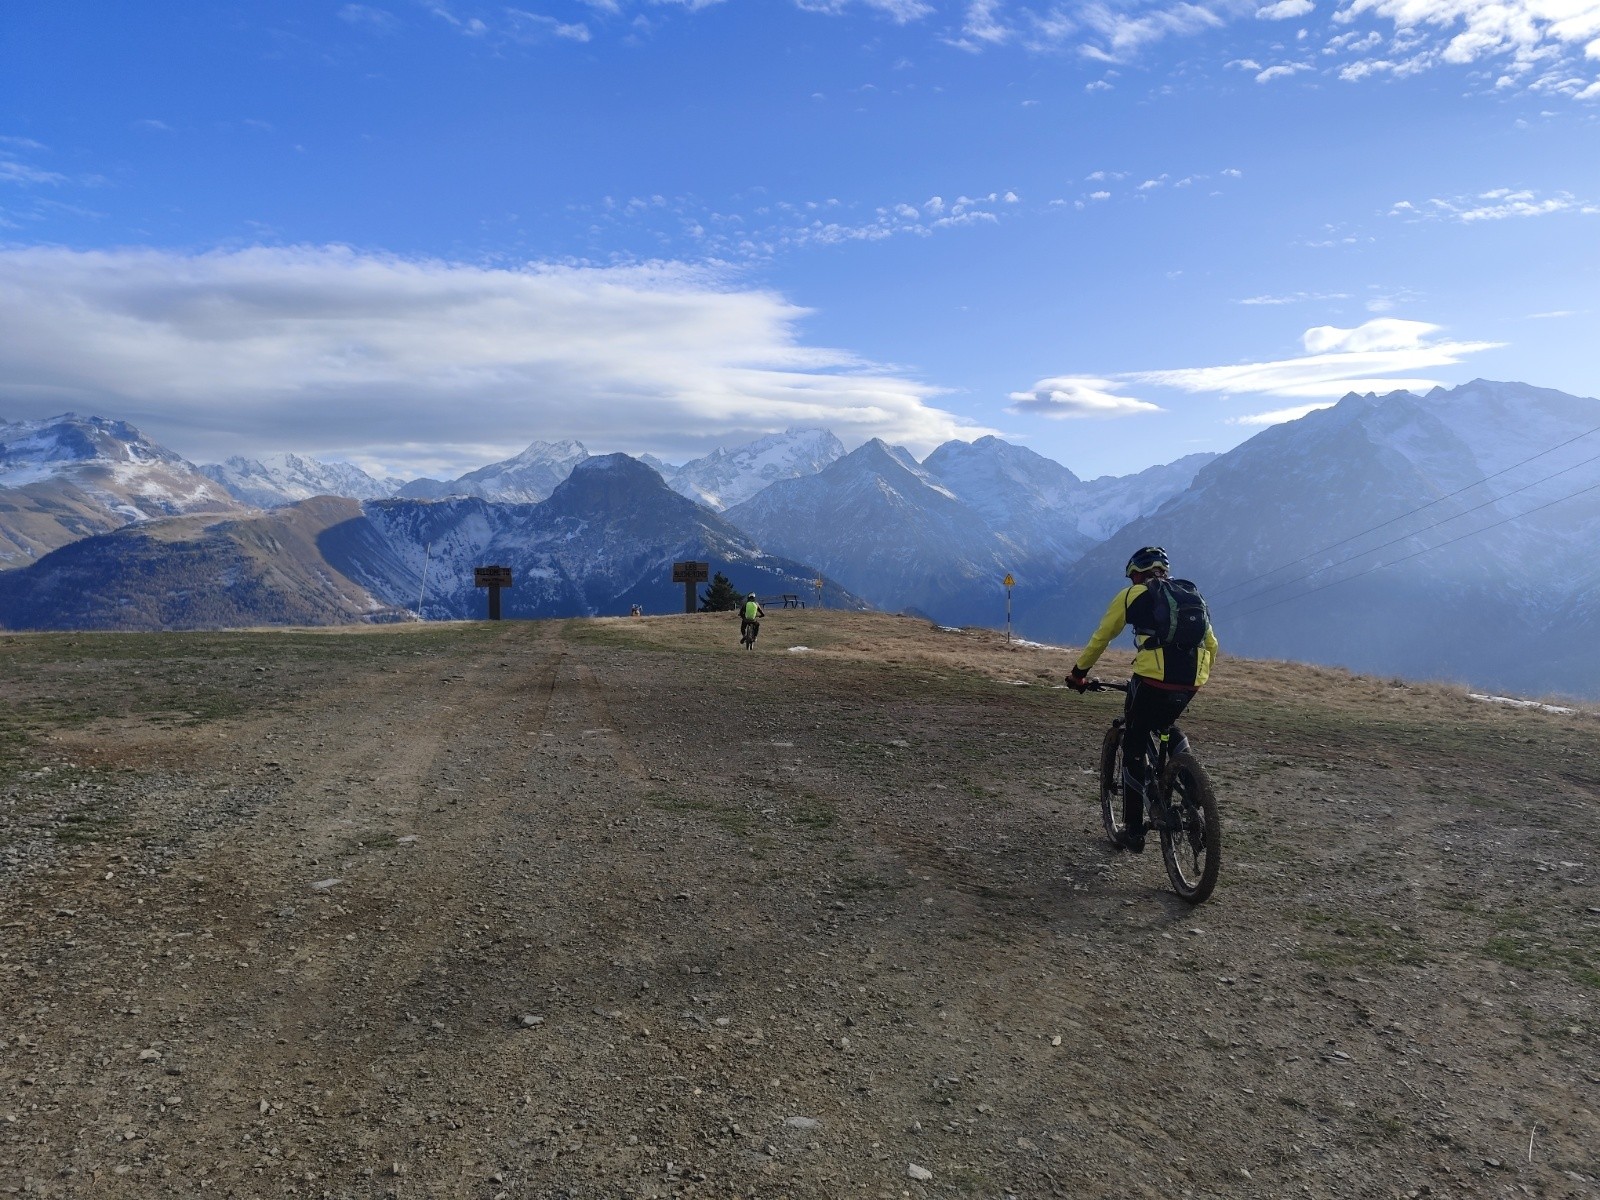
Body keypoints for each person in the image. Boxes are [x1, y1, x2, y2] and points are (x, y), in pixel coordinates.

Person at [1066, 546, 1218, 853]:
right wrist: (1193, 677)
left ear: (1135, 573)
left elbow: (1102, 636)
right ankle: (1191, 782)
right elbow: (1212, 644)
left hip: (1151, 678)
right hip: (1193, 678)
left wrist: (1078, 673)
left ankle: (1133, 829)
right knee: (1166, 724)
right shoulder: (1189, 593)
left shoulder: (1131, 595)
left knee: (1134, 740)